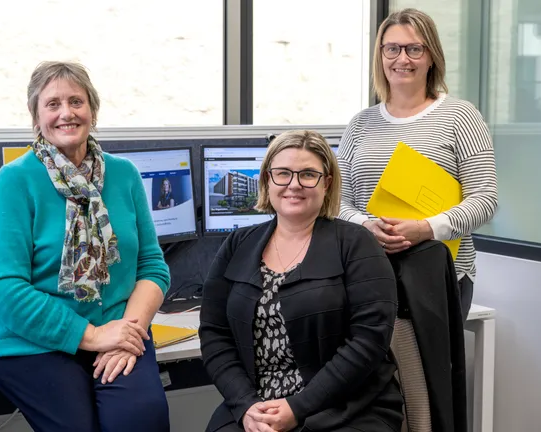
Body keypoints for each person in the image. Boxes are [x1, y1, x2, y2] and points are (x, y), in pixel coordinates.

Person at [0, 61, 172, 432]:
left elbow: (152, 266)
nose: (67, 113)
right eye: (53, 104)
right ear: (36, 117)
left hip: (116, 325)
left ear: (92, 111)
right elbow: (3, 289)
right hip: (30, 339)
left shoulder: (124, 174)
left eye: (76, 101)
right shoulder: (16, 179)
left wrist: (126, 332)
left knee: (141, 420)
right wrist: (93, 336)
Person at [199, 130, 403, 432]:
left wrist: (298, 407)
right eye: (282, 174)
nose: (294, 184)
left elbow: (369, 341)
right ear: (267, 181)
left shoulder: (357, 244)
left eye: (308, 174)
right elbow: (215, 333)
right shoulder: (238, 244)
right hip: (256, 406)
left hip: (346, 406)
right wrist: (244, 405)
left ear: (327, 184)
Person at [337, 8, 498, 320]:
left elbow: (484, 199)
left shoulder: (460, 117)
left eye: (414, 49)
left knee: (425, 370)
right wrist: (366, 226)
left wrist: (426, 229)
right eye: (392, 49)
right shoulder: (360, 124)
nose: (403, 59)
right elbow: (336, 202)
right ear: (380, 56)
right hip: (366, 273)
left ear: (431, 56)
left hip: (438, 274)